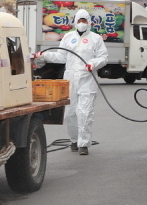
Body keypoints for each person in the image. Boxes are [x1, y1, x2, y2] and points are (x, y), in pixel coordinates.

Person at [36, 9, 108, 155]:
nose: (82, 24)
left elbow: (103, 57)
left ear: (89, 22)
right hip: (70, 79)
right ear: (75, 22)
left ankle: (83, 144)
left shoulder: (96, 39)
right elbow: (61, 56)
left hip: (87, 79)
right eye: (80, 20)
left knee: (85, 112)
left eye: (84, 21)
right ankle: (74, 140)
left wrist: (93, 63)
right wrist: (44, 56)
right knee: (70, 113)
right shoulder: (68, 37)